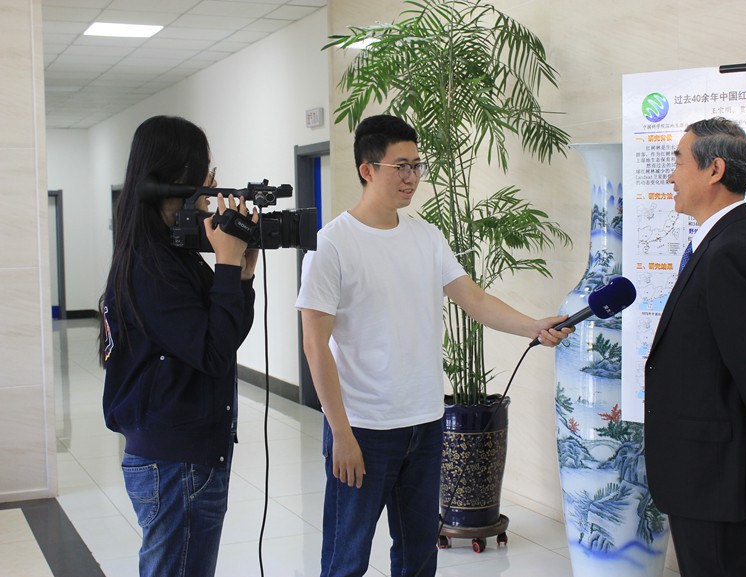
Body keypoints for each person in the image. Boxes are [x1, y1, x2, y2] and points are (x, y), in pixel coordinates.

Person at [296, 114, 571, 577]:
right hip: (364, 428)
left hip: (425, 423)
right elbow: (314, 345)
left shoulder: (426, 237)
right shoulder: (332, 245)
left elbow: (474, 300)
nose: (412, 177)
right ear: (367, 169)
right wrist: (340, 432)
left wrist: (532, 326)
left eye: (416, 166)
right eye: (400, 166)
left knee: (419, 555)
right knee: (347, 557)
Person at [99, 115, 259, 577]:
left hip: (187, 454)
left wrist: (240, 276)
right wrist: (225, 264)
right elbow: (212, 351)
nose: (211, 184)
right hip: (175, 462)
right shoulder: (151, 264)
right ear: (177, 176)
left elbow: (221, 340)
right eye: (206, 172)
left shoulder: (170, 254)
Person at [644, 117, 746, 577]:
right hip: (709, 470)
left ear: (714, 170)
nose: (671, 176)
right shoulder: (728, 237)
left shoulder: (729, 247)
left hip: (714, 474)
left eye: (678, 162)